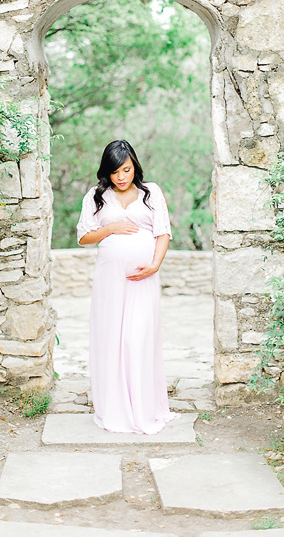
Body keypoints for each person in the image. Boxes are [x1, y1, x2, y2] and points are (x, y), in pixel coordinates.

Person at [75, 139, 180, 434]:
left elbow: (163, 232)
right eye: (114, 172)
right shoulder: (96, 196)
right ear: (106, 172)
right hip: (110, 279)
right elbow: (83, 237)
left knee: (138, 339)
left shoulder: (151, 193)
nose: (121, 177)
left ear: (135, 167)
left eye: (126, 170)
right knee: (111, 339)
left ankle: (143, 408)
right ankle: (114, 408)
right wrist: (110, 228)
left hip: (142, 279)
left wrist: (155, 264)